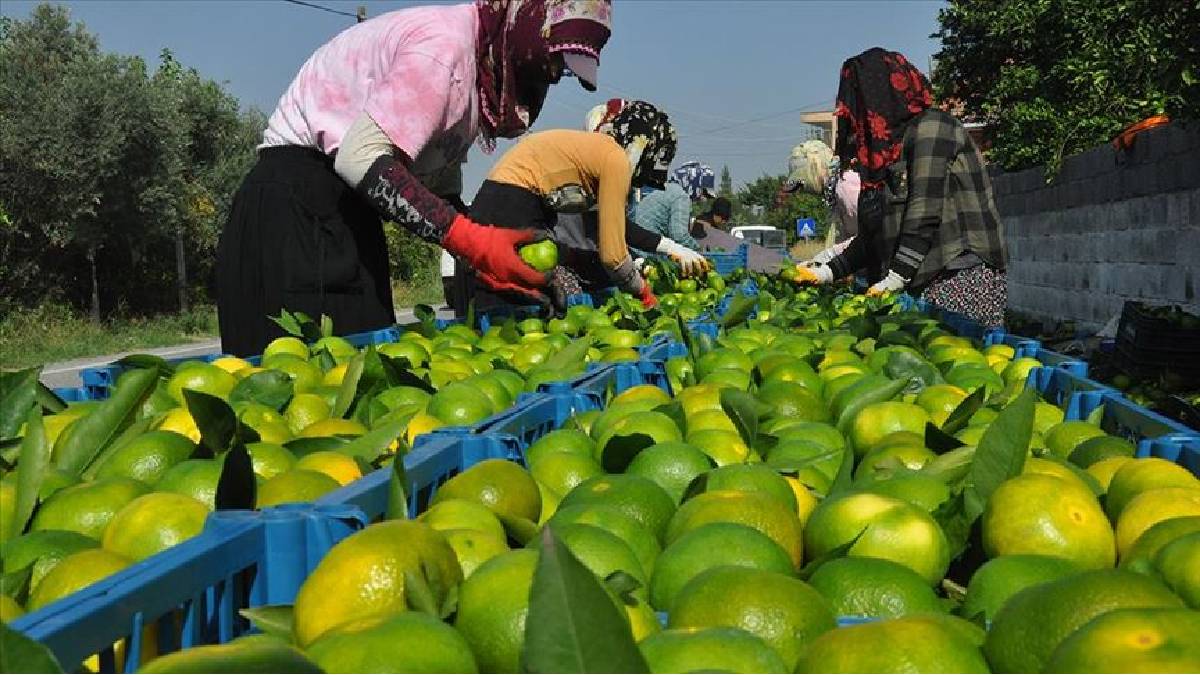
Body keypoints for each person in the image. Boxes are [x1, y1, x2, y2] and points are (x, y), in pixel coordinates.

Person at [215, 0, 612, 356]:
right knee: (310, 385)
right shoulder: (443, 50)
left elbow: (438, 193)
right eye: (557, 60)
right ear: (529, 24)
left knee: (358, 377)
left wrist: (495, 258)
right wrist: (473, 242)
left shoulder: (473, 71)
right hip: (299, 213)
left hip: (341, 215)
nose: (557, 75)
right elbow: (360, 158)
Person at [795, 47, 1007, 327]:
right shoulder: (889, 152)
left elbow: (925, 209)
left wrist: (897, 276)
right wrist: (827, 271)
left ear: (880, 95)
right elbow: (876, 232)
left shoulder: (932, 128)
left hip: (958, 273)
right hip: (919, 275)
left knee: (958, 358)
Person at [459, 101, 695, 311]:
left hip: (499, 198)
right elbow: (613, 257)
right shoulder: (616, 160)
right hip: (513, 204)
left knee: (498, 295)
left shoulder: (598, 151)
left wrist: (668, 247)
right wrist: (643, 292)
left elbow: (606, 226)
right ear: (646, 149)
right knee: (514, 302)